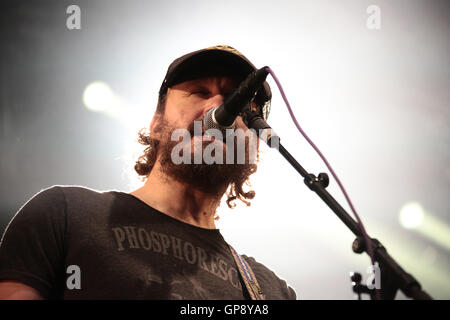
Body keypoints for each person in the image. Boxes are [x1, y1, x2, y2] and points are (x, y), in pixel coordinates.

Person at [0, 45, 296, 300]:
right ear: (156, 124)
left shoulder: (270, 291)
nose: (219, 106)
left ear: (253, 142)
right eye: (199, 92)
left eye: (236, 100)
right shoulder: (63, 216)